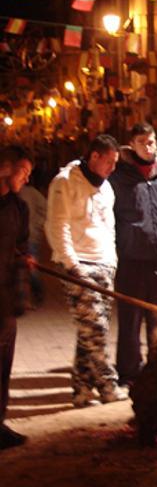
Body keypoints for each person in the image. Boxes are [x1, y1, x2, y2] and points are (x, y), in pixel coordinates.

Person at [46, 135, 129, 407]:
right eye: (109, 161)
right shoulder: (65, 182)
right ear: (94, 156)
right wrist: (72, 265)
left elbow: (109, 227)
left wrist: (111, 260)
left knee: (88, 330)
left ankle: (81, 390)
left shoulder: (106, 188)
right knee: (97, 328)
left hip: (103, 264)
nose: (112, 168)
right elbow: (58, 226)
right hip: (78, 265)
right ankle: (107, 385)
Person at [109, 123, 157, 387]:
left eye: (151, 141)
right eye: (142, 142)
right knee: (130, 318)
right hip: (131, 260)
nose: (148, 146)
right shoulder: (118, 177)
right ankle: (129, 373)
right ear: (132, 144)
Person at [0, 146, 33, 449]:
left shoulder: (18, 208)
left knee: (3, 365)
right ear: (6, 168)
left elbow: (22, 243)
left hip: (5, 299)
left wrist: (26, 258)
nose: (26, 178)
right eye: (23, 171)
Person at [17, 181, 46, 309]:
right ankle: (22, 300)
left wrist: (37, 225)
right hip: (14, 239)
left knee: (31, 269)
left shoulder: (30, 193)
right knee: (18, 271)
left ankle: (38, 292)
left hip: (30, 237)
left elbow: (45, 208)